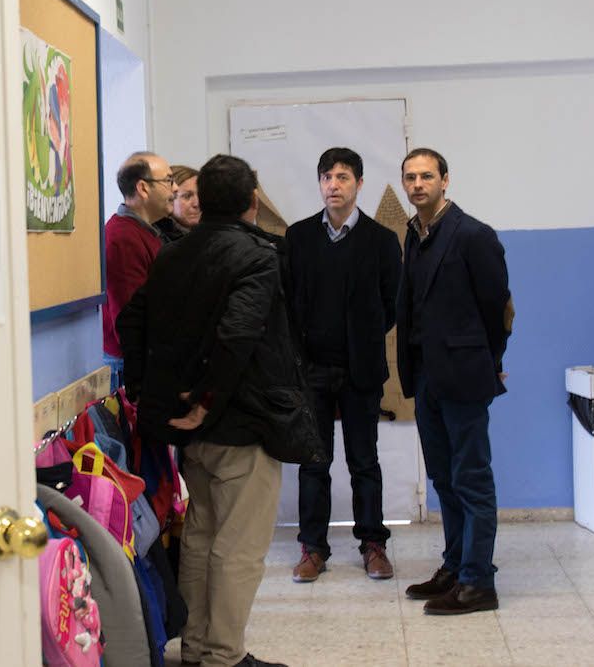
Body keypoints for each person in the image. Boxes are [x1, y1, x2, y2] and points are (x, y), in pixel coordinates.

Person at [117, 153, 294, 667]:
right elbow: (238, 334)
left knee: (200, 538)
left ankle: (195, 649)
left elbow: (132, 322)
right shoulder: (259, 255)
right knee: (237, 547)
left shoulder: (171, 251)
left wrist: (156, 391)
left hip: (189, 429)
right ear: (252, 203)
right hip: (238, 422)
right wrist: (206, 400)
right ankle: (224, 656)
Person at [396, 148, 511, 616]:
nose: (417, 184)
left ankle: (478, 582)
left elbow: (497, 310)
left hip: (464, 374)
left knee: (472, 478)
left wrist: (491, 362)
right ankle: (456, 564)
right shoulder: (414, 233)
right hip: (426, 374)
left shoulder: (473, 235)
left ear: (446, 180)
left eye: (426, 176)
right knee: (443, 477)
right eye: (410, 177)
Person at [284, 147, 401, 583]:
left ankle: (373, 544)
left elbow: (391, 305)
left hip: (360, 371)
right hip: (311, 371)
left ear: (359, 184)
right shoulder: (297, 239)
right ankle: (313, 548)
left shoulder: (382, 241)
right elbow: (289, 304)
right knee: (313, 463)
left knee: (364, 462)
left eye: (343, 177)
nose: (334, 185)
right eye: (327, 177)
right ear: (319, 184)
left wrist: (360, 339)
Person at [102, 151, 175, 391]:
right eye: (168, 181)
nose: (174, 189)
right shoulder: (122, 238)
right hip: (130, 368)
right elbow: (130, 318)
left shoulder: (145, 231)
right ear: (143, 188)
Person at [155, 164, 201, 242]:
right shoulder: (157, 239)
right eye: (187, 196)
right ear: (167, 198)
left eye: (201, 195)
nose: (197, 204)